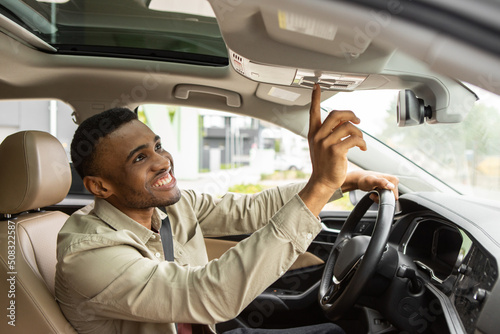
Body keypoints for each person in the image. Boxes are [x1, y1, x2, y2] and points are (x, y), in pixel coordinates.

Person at [55, 85, 399, 334]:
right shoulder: (88, 255)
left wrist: (348, 180)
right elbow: (209, 294)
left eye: (157, 146)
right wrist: (320, 185)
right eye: (140, 157)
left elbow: (251, 209)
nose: (163, 161)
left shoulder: (167, 206)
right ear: (101, 187)